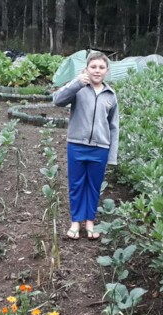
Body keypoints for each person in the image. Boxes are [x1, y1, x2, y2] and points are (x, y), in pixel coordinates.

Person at [52, 51, 119, 240]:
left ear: (106, 71)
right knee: (76, 185)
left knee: (94, 186)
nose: (97, 71)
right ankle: (75, 222)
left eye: (101, 67)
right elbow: (57, 100)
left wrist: (112, 155)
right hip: (77, 145)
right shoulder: (78, 88)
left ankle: (90, 222)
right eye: (93, 67)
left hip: (101, 148)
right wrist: (76, 83)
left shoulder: (110, 95)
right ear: (87, 69)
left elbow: (114, 127)